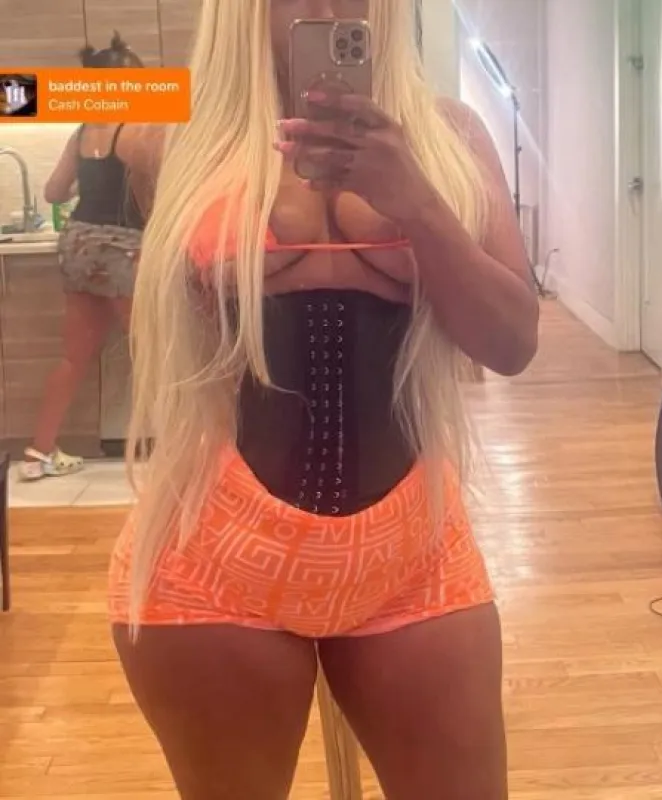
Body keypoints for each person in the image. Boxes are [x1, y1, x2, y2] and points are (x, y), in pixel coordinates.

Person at [109, 1, 539, 798]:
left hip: (411, 551)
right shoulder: (175, 135)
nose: (326, 4)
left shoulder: (451, 136)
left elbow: (512, 343)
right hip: (215, 550)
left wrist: (417, 202)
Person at [20, 33, 147, 480]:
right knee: (152, 355)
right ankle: (182, 451)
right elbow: (155, 197)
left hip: (79, 243)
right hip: (123, 246)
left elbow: (54, 192)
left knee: (73, 357)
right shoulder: (135, 129)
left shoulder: (82, 132)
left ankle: (38, 454)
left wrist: (85, 184)